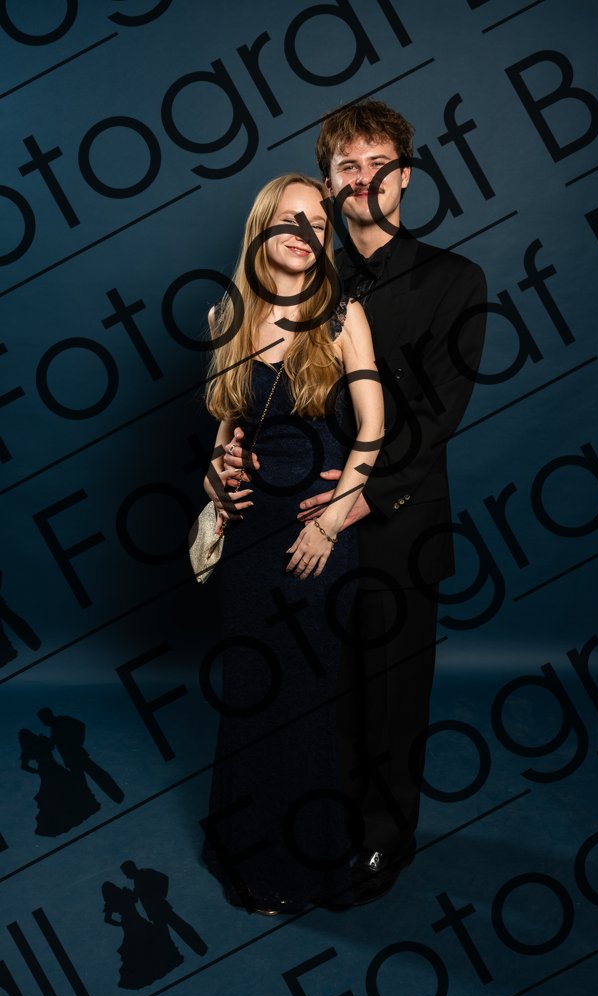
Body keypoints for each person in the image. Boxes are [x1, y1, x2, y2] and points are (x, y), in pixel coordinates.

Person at [224, 102, 487, 905]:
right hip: (299, 521)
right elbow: (261, 389)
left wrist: (360, 497)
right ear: (329, 184)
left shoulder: (454, 280)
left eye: (379, 165)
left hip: (396, 520)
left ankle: (382, 839)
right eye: (347, 167)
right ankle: (315, 831)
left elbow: (439, 414)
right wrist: (233, 458)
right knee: (316, 693)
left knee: (389, 697)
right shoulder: (312, 276)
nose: (364, 180)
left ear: (405, 176)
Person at [200, 173, 384, 915]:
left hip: (318, 534)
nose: (304, 234)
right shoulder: (227, 315)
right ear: (262, 229)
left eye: (317, 223)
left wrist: (331, 520)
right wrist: (217, 479)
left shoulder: (342, 315)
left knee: (305, 700)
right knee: (250, 691)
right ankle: (242, 855)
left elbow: (373, 430)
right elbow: (224, 430)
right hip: (250, 535)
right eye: (290, 219)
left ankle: (302, 866)